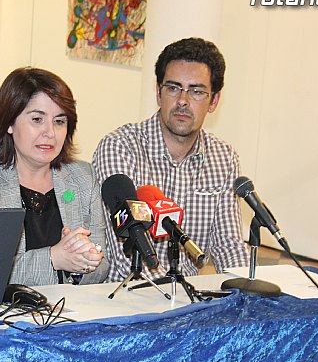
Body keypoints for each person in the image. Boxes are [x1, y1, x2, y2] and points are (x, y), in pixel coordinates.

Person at [92, 37, 249, 282]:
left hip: (188, 294)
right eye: (173, 88)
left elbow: (228, 245)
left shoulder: (224, 157)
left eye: (196, 91)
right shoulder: (120, 147)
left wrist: (245, 290)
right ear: (158, 93)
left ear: (214, 101)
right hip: (126, 293)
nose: (183, 101)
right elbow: (125, 253)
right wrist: (174, 295)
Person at [0, 67, 108, 286]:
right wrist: (53, 258)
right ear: (9, 123)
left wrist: (83, 262)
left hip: (70, 307)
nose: (50, 132)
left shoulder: (83, 178)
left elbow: (102, 268)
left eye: (59, 121)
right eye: (37, 119)